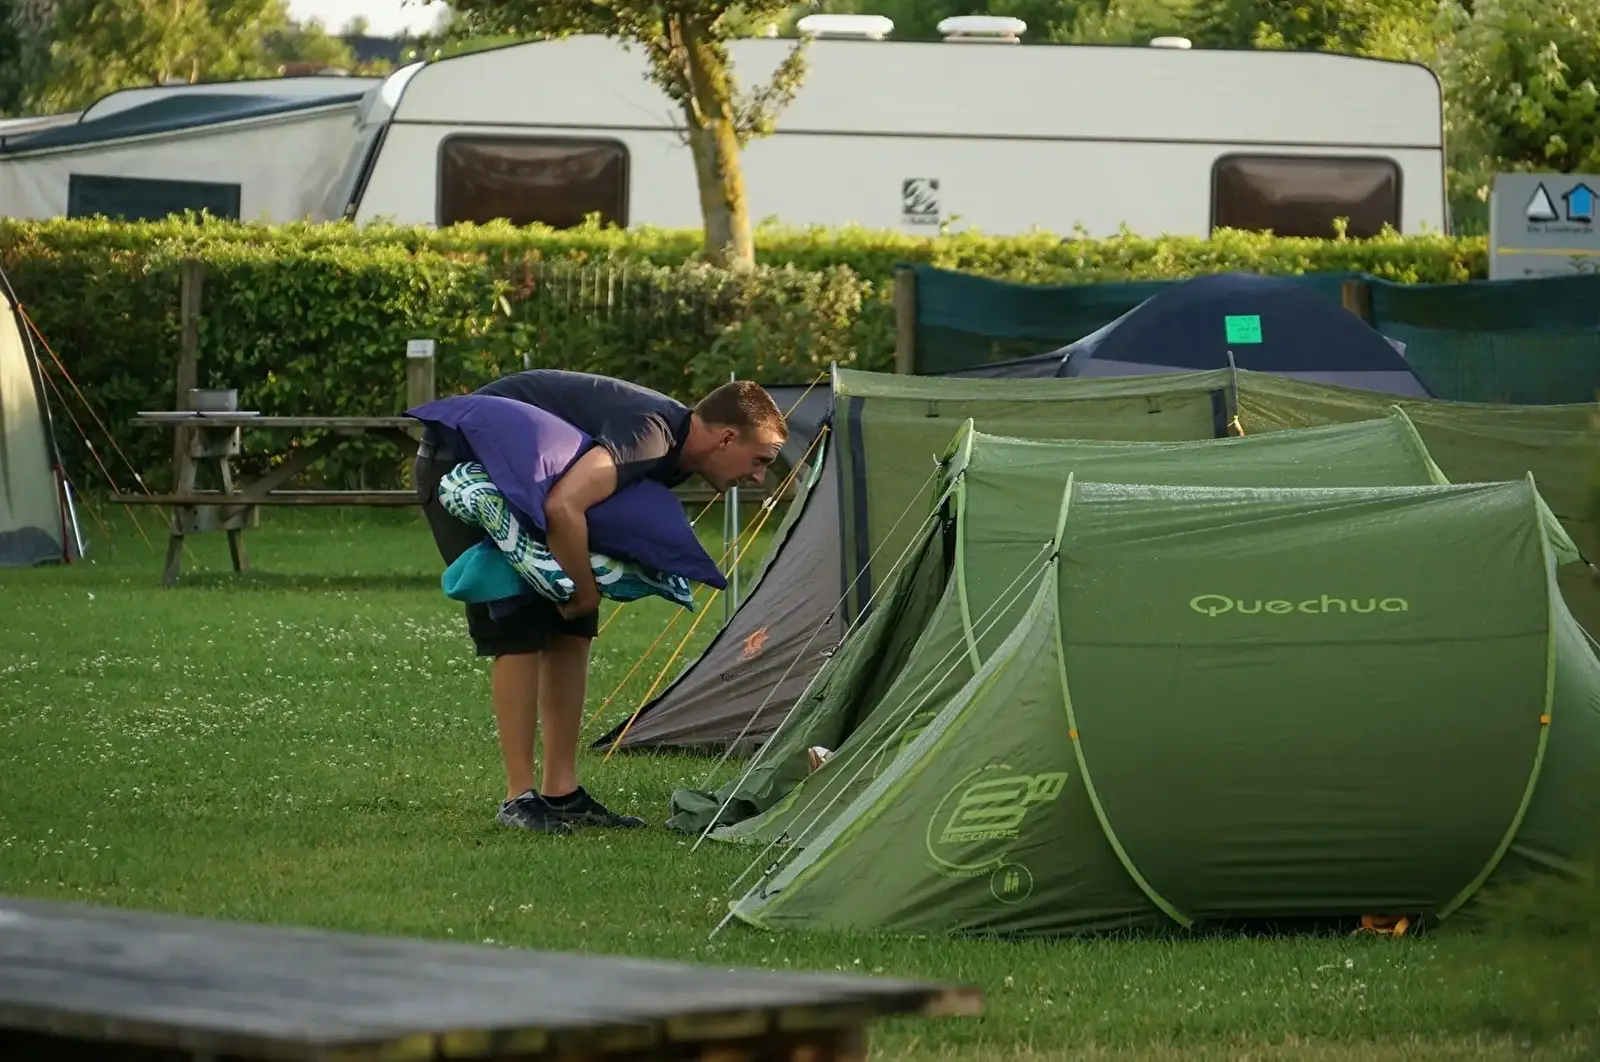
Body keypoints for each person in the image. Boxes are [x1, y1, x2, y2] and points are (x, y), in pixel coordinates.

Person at [413, 369, 788, 834]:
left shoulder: (675, 448)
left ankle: (561, 792)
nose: (759, 476)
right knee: (518, 620)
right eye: (760, 460)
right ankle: (518, 798)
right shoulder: (649, 436)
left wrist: (581, 596)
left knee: (574, 628)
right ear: (727, 438)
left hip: (530, 480)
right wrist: (584, 588)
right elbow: (563, 506)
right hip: (464, 464)